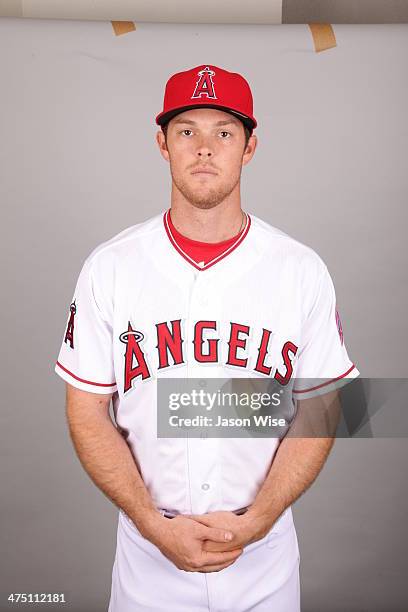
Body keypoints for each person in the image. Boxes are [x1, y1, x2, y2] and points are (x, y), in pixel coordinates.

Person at [54, 64, 359, 611]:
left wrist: (260, 519)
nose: (204, 148)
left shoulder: (300, 269)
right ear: (162, 144)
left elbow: (321, 406)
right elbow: (86, 408)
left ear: (249, 148)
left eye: (224, 132)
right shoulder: (111, 267)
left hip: (263, 562)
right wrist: (151, 524)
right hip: (149, 560)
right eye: (186, 131)